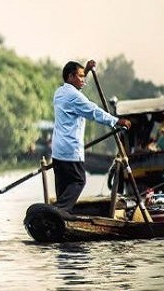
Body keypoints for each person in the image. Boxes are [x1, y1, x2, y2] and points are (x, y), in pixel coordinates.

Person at [52, 60, 131, 213]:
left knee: (63, 188)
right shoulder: (74, 97)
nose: (84, 80)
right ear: (70, 76)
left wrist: (86, 71)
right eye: (81, 76)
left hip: (57, 150)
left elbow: (75, 92)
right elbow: (94, 112)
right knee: (78, 180)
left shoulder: (60, 92)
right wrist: (117, 121)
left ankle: (58, 214)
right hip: (70, 149)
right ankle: (59, 212)